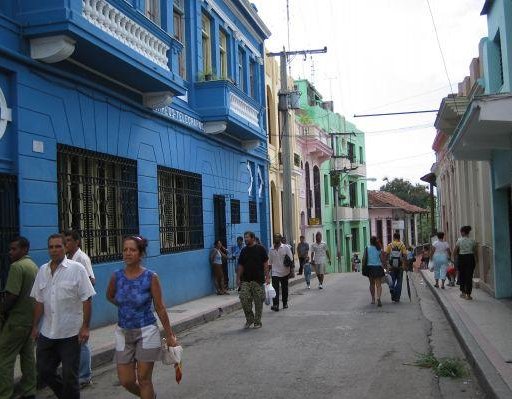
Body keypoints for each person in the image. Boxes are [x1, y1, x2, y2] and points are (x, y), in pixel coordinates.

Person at [106, 236, 177, 399]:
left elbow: (160, 307)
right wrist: (126, 307)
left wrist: (169, 335)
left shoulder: (150, 277)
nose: (128, 253)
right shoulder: (116, 276)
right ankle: (150, 396)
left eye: (132, 250)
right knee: (126, 380)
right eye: (125, 249)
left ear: (140, 253)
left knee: (144, 379)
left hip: (147, 331)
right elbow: (110, 296)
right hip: (123, 332)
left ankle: (148, 393)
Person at [30, 233, 96, 399]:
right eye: (51, 247)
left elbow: (86, 299)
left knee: (70, 376)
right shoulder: (42, 271)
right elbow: (39, 301)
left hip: (70, 333)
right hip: (47, 332)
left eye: (58, 246)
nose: (54, 250)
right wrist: (34, 326)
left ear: (65, 248)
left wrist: (85, 327)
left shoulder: (77, 269)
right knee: (43, 371)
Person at [0, 237, 38, 399]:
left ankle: (5, 393)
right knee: (28, 358)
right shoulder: (34, 267)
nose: (10, 252)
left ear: (24, 250)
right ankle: (30, 390)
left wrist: (2, 310)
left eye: (14, 249)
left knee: (4, 358)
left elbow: (12, 295)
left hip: (16, 321)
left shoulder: (17, 267)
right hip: (30, 320)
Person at [64, 230, 95, 388]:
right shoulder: (68, 258)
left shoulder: (82, 258)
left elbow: (91, 280)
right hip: (71, 307)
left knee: (81, 342)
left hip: (81, 305)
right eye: (65, 240)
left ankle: (84, 376)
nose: (66, 244)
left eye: (69, 240)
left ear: (77, 242)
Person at [236, 231, 270, 329]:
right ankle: (249, 318)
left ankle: (257, 321)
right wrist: (238, 278)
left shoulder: (260, 249)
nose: (246, 239)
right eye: (245, 237)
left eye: (247, 237)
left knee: (258, 301)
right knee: (243, 298)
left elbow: (265, 264)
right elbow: (241, 265)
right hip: (246, 280)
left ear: (253, 238)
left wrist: (267, 277)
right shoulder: (244, 251)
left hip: (258, 280)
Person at [268, 234, 294, 311]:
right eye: (275, 237)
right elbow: (269, 262)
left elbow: (291, 259)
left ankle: (285, 302)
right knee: (275, 289)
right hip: (275, 272)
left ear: (280, 238)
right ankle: (276, 305)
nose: (276, 238)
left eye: (277, 237)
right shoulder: (271, 249)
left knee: (284, 288)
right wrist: (267, 275)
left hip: (285, 271)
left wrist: (292, 270)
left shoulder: (286, 247)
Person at [453, 226, 477, 300]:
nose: (460, 233)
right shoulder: (473, 241)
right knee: (469, 276)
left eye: (461, 232)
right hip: (470, 258)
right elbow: (475, 251)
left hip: (462, 258)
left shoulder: (459, 240)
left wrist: (454, 259)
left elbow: (455, 251)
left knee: (462, 275)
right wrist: (476, 260)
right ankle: (468, 294)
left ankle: (463, 292)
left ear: (463, 232)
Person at [363, 236, 385, 307]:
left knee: (372, 284)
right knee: (378, 285)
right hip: (378, 268)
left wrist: (363, 266)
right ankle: (378, 298)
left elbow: (364, 258)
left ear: (370, 241)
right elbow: (382, 259)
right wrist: (385, 266)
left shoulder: (367, 248)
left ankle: (373, 299)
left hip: (370, 268)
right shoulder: (379, 248)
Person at [385, 233, 407, 302]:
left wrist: (387, 264)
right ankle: (397, 297)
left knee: (392, 280)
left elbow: (386, 255)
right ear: (399, 238)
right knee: (399, 282)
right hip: (400, 266)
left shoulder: (390, 245)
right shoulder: (402, 245)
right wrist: (404, 265)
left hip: (392, 266)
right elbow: (405, 256)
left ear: (394, 237)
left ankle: (392, 289)